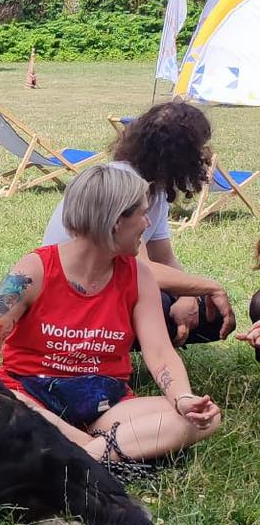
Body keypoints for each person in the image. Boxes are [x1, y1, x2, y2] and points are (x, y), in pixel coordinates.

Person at [0, 162, 222, 467]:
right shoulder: (34, 271)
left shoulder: (139, 276)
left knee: (202, 419)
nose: (146, 223)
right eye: (141, 214)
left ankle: (81, 457)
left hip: (104, 406)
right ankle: (103, 452)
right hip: (29, 395)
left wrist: (183, 399)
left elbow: (161, 353)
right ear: (115, 222)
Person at [41, 102, 235, 347]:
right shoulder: (124, 186)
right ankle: (107, 349)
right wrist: (206, 287)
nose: (204, 154)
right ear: (179, 153)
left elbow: (164, 258)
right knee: (160, 303)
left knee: (210, 315)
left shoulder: (156, 189)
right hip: (71, 294)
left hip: (106, 284)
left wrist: (188, 293)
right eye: (199, 147)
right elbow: (142, 270)